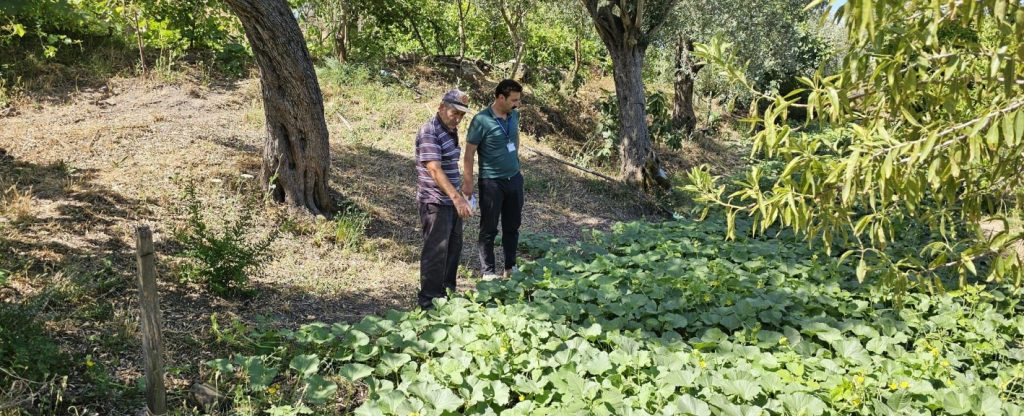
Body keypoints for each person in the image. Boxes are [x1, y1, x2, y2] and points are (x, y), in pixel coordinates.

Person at [415, 89, 473, 309]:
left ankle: (446, 293)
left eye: (461, 115)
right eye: (454, 112)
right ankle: (428, 301)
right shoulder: (430, 131)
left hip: (451, 200)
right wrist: (457, 198)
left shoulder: (449, 130)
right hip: (435, 201)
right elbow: (434, 169)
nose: (457, 118)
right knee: (436, 251)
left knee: (453, 248)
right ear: (441, 107)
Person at [462, 79, 524, 280]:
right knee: (489, 228)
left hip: (514, 179)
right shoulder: (481, 120)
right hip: (491, 182)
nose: (516, 104)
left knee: (512, 226)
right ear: (500, 97)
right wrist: (468, 182)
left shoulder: (514, 115)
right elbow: (469, 153)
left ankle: (510, 267)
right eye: (513, 100)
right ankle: (488, 272)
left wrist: (515, 163)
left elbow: (515, 140)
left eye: (518, 100)